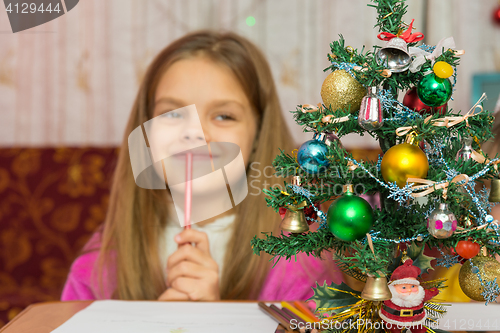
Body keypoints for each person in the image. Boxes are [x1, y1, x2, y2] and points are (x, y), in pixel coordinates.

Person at [61, 31, 342, 302]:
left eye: (223, 116)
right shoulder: (100, 263)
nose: (194, 133)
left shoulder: (301, 259)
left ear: (258, 137)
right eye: (172, 113)